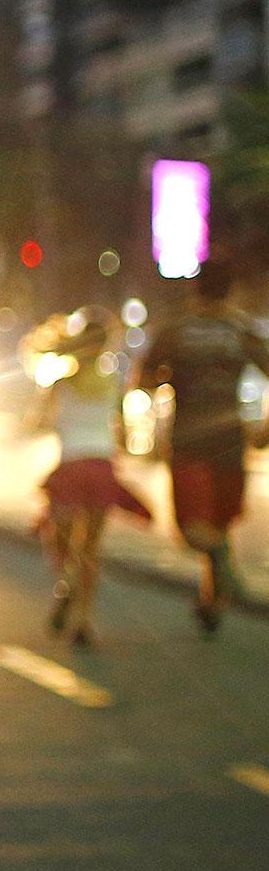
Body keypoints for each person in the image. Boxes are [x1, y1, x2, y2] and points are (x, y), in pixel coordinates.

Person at [134, 259, 269, 634]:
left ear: (196, 288)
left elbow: (143, 380)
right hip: (231, 441)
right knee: (219, 523)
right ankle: (212, 599)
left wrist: (164, 381)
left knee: (193, 529)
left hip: (189, 440)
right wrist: (265, 430)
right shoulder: (242, 329)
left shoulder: (176, 329)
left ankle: (215, 577)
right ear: (231, 288)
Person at [26, 310, 151, 646]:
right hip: (101, 470)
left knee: (61, 543)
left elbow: (38, 421)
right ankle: (82, 619)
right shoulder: (114, 384)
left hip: (70, 470)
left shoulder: (60, 384)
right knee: (91, 550)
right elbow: (123, 433)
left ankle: (66, 584)